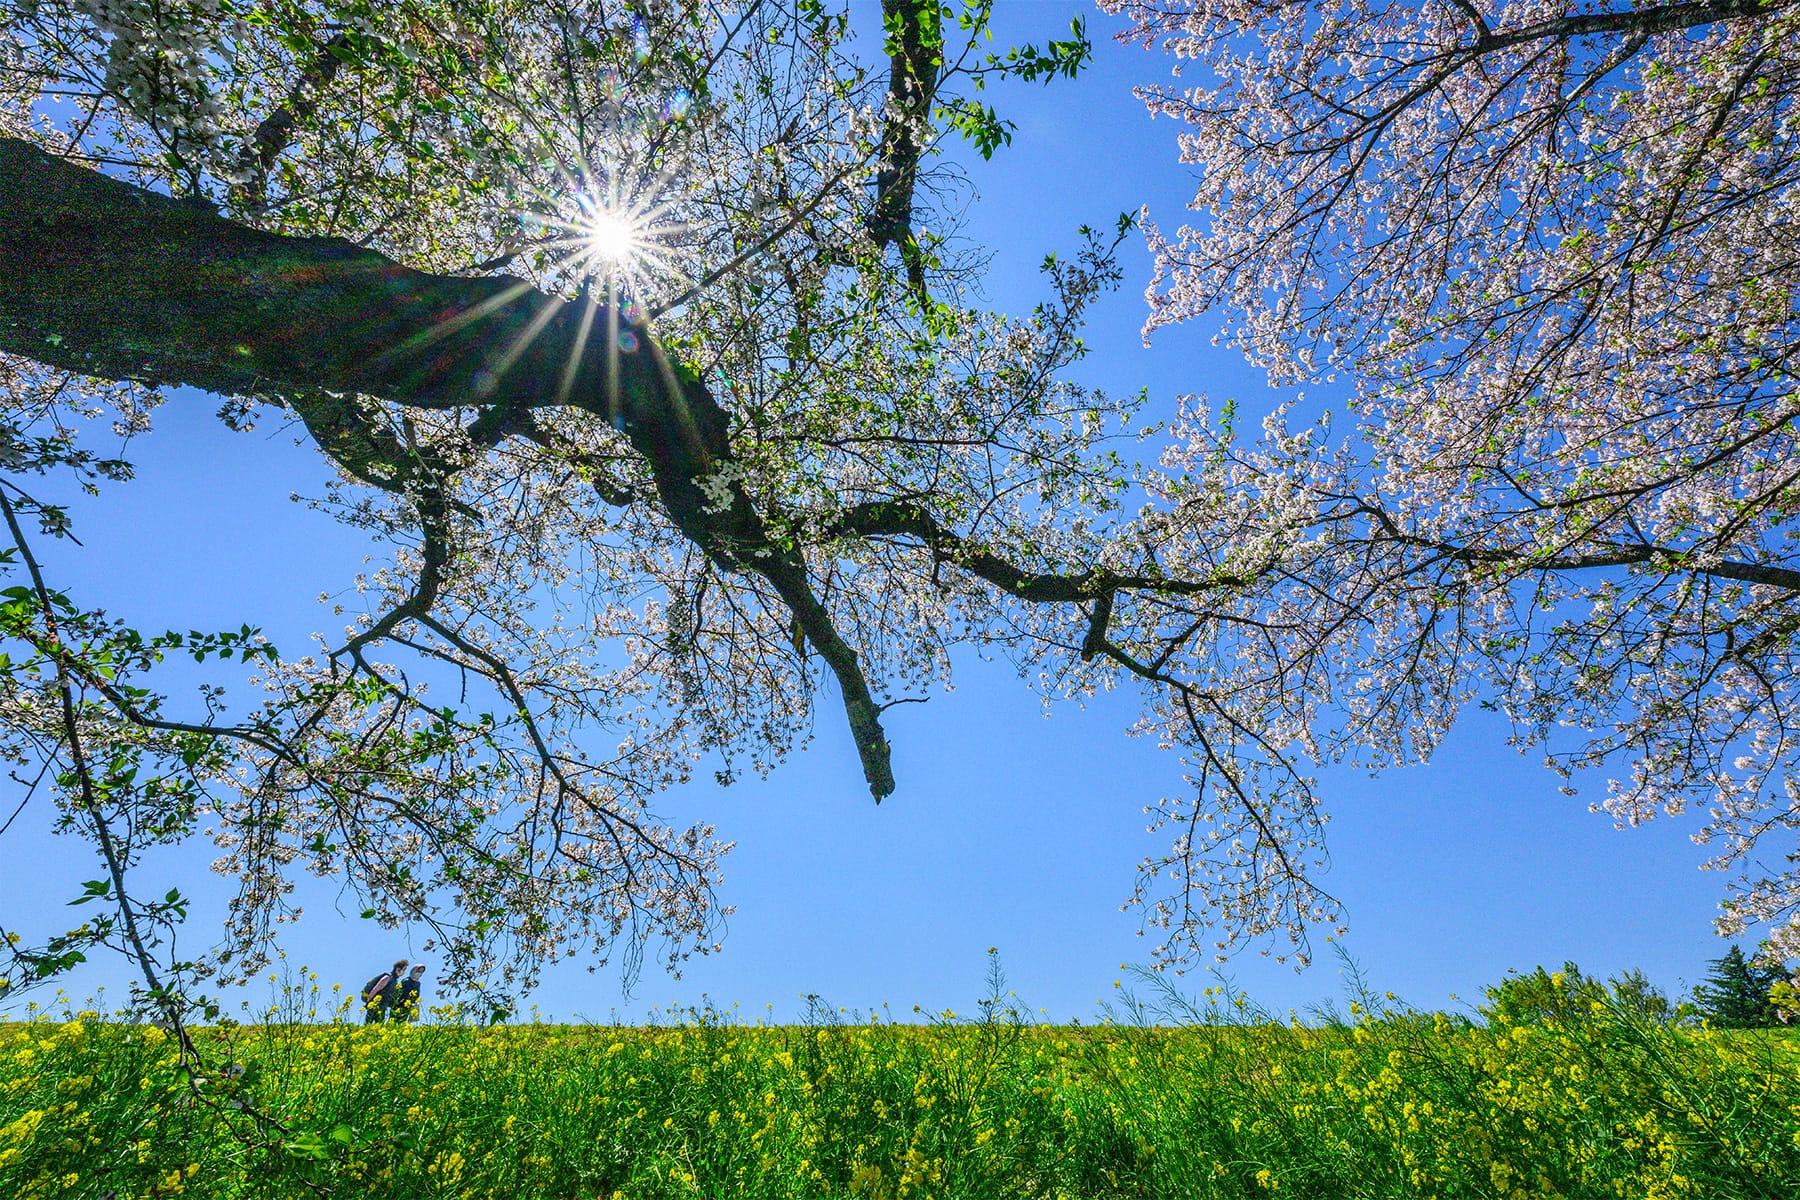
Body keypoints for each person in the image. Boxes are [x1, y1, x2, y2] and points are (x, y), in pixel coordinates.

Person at [359, 959, 407, 1024]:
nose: (403, 972)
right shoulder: (388, 977)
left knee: (379, 1024)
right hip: (375, 1005)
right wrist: (369, 1000)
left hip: (382, 1007)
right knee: (369, 1023)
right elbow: (376, 988)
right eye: (403, 969)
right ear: (398, 969)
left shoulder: (394, 980)